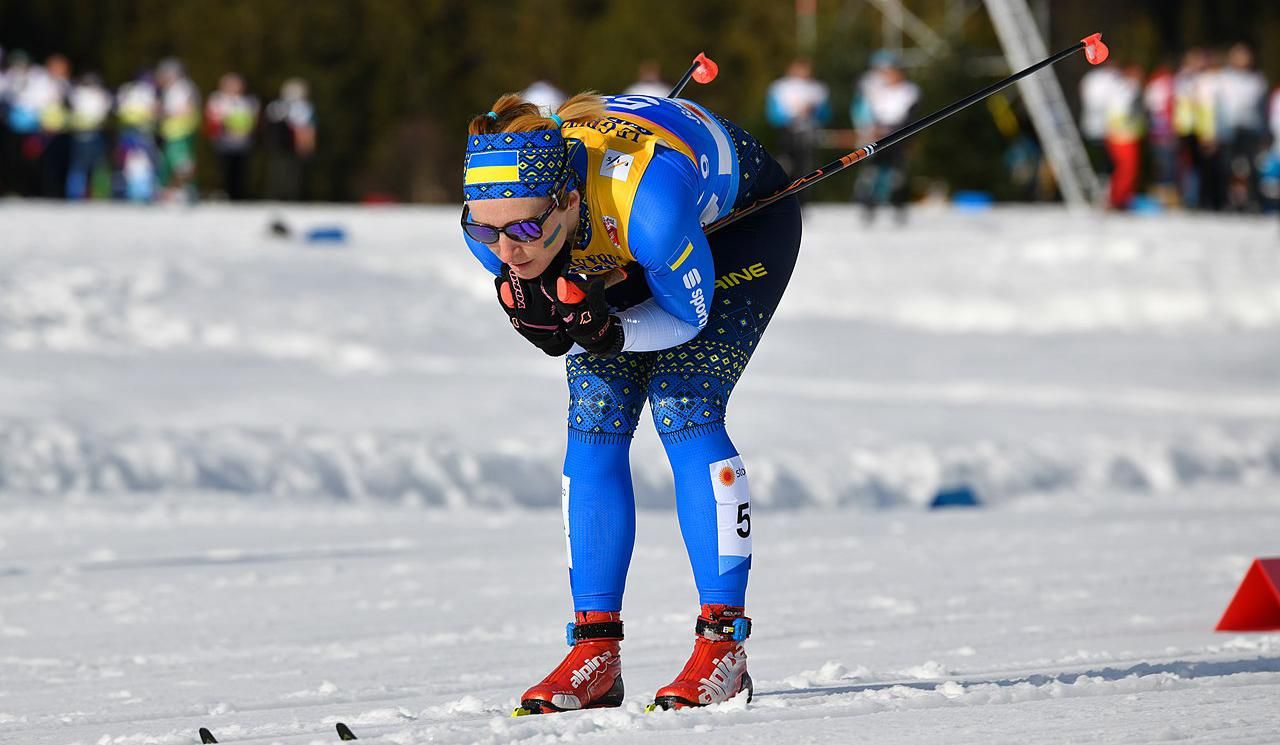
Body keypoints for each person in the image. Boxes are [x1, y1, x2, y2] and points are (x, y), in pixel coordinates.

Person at [460, 91, 801, 713]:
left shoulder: (647, 206)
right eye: (486, 231)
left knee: (685, 408)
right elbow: (549, 303)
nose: (506, 251)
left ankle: (723, 647)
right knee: (594, 420)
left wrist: (609, 332)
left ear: (567, 200)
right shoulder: (499, 226)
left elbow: (687, 317)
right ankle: (594, 651)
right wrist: (564, 328)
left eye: (526, 230)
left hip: (739, 230)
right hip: (619, 248)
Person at [851, 50, 919, 222]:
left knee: (896, 174)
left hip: (898, 135)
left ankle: (898, 206)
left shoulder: (909, 91)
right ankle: (869, 205)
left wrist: (899, 131)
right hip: (877, 136)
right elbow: (866, 112)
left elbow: (910, 115)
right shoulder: (876, 89)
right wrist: (871, 128)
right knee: (872, 172)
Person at [764, 58, 830, 186]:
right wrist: (790, 116)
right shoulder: (780, 87)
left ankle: (802, 193)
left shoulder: (817, 89)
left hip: (808, 131)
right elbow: (773, 114)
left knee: (805, 167)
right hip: (787, 131)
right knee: (786, 163)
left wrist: (813, 111)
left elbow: (825, 113)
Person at [1218, 43, 1267, 211]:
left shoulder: (1257, 80)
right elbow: (1219, 106)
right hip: (1229, 127)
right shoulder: (1223, 78)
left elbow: (1262, 108)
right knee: (1226, 165)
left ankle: (1253, 201)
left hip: (1250, 127)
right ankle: (1226, 200)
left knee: (1252, 166)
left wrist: (1264, 132)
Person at [205, 73, 259, 200]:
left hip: (242, 141)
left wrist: (243, 132)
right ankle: (224, 192)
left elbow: (252, 120)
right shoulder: (217, 99)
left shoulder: (249, 100)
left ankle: (240, 195)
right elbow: (214, 119)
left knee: (241, 170)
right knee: (224, 169)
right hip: (224, 140)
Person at [156, 57, 200, 201]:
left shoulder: (183, 87)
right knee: (171, 163)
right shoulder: (172, 89)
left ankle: (185, 190)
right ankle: (174, 190)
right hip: (172, 133)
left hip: (181, 132)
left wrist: (166, 112)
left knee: (181, 163)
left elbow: (188, 109)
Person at [264, 78, 316, 201]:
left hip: (294, 145)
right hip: (280, 145)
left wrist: (307, 143)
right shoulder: (277, 106)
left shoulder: (305, 108)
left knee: (294, 172)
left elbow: (308, 128)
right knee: (279, 170)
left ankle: (292, 196)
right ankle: (276, 195)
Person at [115, 70, 162, 202]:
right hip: (141, 133)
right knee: (143, 162)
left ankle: (132, 192)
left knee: (131, 163)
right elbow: (153, 111)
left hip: (128, 133)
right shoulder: (146, 91)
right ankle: (142, 193)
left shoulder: (126, 89)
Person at [65, 72, 112, 200]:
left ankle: (76, 194)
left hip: (82, 135)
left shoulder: (76, 93)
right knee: (96, 166)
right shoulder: (97, 95)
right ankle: (97, 194)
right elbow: (103, 112)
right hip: (90, 134)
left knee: (80, 166)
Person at [1104, 64, 1145, 210]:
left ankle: (1121, 198)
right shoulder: (1127, 89)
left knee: (1127, 169)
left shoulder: (1122, 88)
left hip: (1125, 135)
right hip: (1122, 136)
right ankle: (1118, 199)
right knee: (1126, 169)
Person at [1144, 63, 1179, 207]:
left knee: (1166, 164)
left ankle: (1164, 194)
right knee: (1165, 164)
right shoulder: (1163, 85)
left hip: (1162, 131)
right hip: (1163, 132)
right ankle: (1163, 195)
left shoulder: (1157, 85)